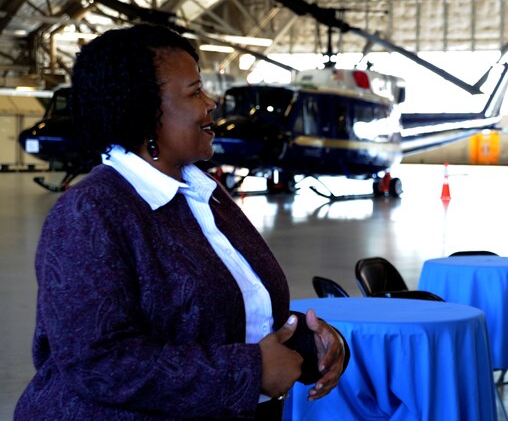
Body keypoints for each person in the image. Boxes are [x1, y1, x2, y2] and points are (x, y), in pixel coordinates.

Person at [15, 24, 348, 420]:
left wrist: (310, 345)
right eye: (194, 92)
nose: (212, 103)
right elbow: (99, 364)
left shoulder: (205, 193)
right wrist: (250, 370)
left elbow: (228, 313)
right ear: (144, 112)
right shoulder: (90, 213)